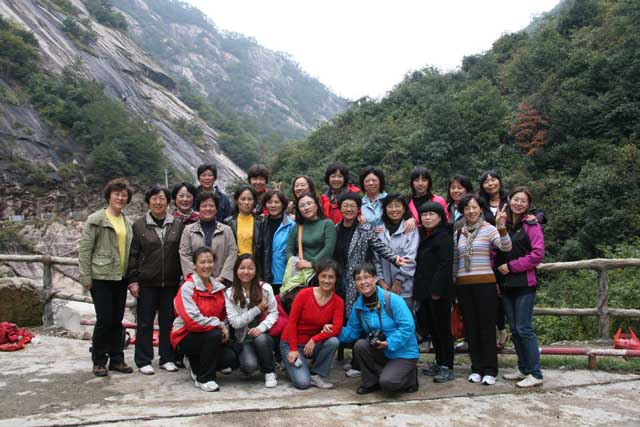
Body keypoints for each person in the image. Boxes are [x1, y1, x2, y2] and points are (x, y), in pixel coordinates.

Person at [453, 194, 512, 386]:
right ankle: (476, 368)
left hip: (485, 284)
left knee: (486, 327)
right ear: (462, 211)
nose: (471, 211)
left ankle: (490, 370)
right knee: (471, 328)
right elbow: (456, 261)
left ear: (480, 209)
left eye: (474, 207)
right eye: (467, 208)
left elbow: (506, 247)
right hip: (463, 285)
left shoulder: (489, 229)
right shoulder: (458, 232)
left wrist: (501, 227)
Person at [79, 178, 134, 377]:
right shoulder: (96, 219)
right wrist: (85, 277)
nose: (120, 198)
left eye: (124, 195)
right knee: (104, 319)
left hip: (120, 276)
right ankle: (99, 360)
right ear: (109, 196)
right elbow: (85, 249)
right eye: (116, 194)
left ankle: (117, 359)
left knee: (117, 319)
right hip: (101, 276)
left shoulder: (127, 222)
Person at [127, 185, 184, 375]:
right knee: (145, 322)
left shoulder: (177, 225)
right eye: (154, 198)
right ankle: (143, 359)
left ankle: (167, 358)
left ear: (168, 201)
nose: (158, 202)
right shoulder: (139, 225)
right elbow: (133, 255)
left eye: (162, 198)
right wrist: (133, 280)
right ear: (148, 201)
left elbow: (182, 253)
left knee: (168, 321)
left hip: (171, 282)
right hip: (147, 282)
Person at [338, 263, 419, 394]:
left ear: (375, 278)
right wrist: (333, 330)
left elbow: (408, 327)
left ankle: (409, 377)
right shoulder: (358, 306)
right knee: (360, 345)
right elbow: (352, 332)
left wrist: (389, 343)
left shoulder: (392, 299)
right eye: (358, 279)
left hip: (403, 353)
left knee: (388, 383)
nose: (363, 282)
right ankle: (371, 382)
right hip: (381, 351)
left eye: (366, 277)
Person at [496, 187, 545, 388]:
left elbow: (537, 254)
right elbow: (498, 250)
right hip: (507, 284)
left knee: (524, 328)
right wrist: (499, 227)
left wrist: (512, 266)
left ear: (528, 205)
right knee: (515, 330)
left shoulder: (531, 225)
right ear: (509, 201)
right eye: (516, 199)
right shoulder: (505, 225)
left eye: (523, 201)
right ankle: (524, 368)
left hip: (525, 283)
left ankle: (536, 373)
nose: (518, 203)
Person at [171, 247, 238, 392]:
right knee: (214, 334)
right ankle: (205, 378)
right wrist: (219, 325)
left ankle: (195, 362)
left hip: (209, 335)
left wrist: (223, 328)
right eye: (202, 262)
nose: (206, 266)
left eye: (210, 262)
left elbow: (223, 316)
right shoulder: (187, 288)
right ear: (194, 265)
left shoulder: (218, 288)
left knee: (231, 357)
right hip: (185, 335)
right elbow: (192, 321)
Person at [334, 192, 407, 318]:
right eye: (345, 206)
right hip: (339, 276)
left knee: (355, 311)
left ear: (358, 208)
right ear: (340, 208)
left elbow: (379, 245)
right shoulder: (335, 228)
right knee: (338, 308)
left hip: (357, 277)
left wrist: (394, 258)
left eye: (353, 206)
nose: (349, 209)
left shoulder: (364, 228)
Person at [280, 259, 344, 389]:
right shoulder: (304, 294)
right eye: (323, 276)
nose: (326, 280)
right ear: (318, 276)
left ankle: (317, 374)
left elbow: (337, 328)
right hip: (292, 342)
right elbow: (292, 323)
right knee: (303, 383)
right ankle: (290, 364)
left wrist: (314, 339)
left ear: (336, 279)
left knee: (333, 341)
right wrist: (293, 349)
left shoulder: (338, 302)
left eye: (331, 277)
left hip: (312, 344)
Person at [414, 202, 454, 383]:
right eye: (424, 214)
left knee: (443, 330)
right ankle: (439, 361)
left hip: (439, 292)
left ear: (440, 217)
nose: (427, 218)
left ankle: (447, 366)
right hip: (425, 291)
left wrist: (437, 290)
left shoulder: (444, 236)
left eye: (431, 214)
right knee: (433, 329)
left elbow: (445, 265)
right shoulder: (424, 234)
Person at [225, 254, 279, 388]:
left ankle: (269, 371)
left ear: (256, 270)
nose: (246, 272)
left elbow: (274, 313)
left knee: (261, 339)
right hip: (244, 338)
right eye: (242, 268)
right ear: (236, 270)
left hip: (264, 334)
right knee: (249, 366)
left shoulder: (265, 289)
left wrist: (261, 328)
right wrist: (258, 309)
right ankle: (261, 359)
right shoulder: (230, 293)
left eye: (250, 268)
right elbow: (235, 323)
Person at [179, 192, 237, 284]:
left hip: (221, 283)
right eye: (204, 206)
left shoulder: (227, 230)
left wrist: (222, 277)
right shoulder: (188, 230)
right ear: (198, 209)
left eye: (211, 206)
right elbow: (185, 255)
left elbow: (232, 253)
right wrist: (195, 278)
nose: (208, 209)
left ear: (216, 209)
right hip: (195, 283)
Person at [375, 194, 419, 308]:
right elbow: (376, 259)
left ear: (404, 209)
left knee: (406, 316)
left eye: (397, 206)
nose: (394, 209)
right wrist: (380, 281)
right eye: (390, 206)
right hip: (384, 288)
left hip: (405, 288)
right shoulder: (380, 231)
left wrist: (399, 281)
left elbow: (410, 258)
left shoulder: (410, 229)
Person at [285, 192, 337, 270]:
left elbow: (329, 249)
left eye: (309, 203)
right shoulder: (297, 226)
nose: (306, 208)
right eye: (302, 206)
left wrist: (311, 263)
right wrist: (295, 262)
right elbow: (289, 250)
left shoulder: (327, 224)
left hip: (321, 269)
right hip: (300, 270)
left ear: (316, 206)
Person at [255, 190, 294, 294]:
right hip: (264, 277)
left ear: (283, 204)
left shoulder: (291, 225)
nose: (273, 205)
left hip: (284, 276)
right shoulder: (261, 224)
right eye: (269, 202)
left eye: (277, 202)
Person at [224, 185, 261, 255]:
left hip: (255, 261)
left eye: (250, 199)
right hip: (235, 261)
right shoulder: (228, 222)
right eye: (243, 199)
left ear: (254, 201)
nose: (246, 202)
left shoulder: (261, 222)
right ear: (237, 200)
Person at [360, 166, 387, 230]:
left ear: (380, 182)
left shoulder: (390, 200)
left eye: (374, 180)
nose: (371, 183)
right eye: (367, 181)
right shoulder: (359, 204)